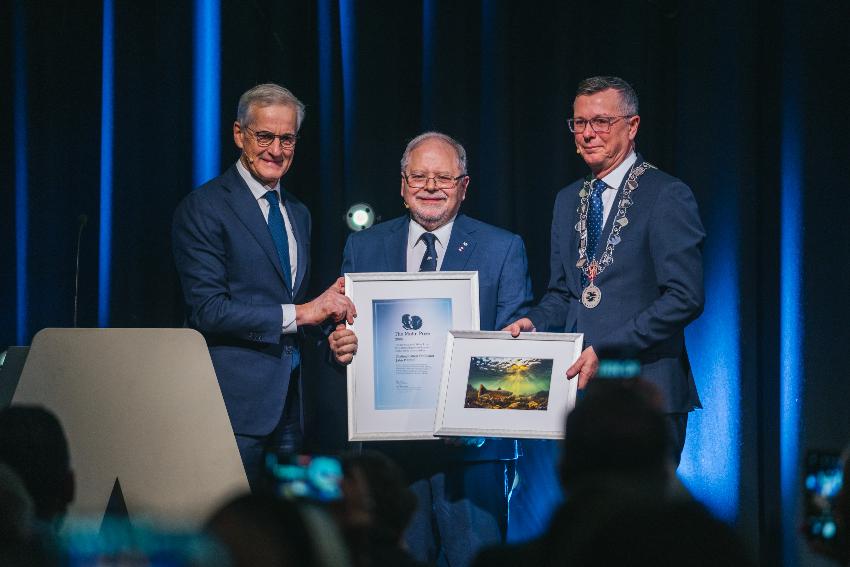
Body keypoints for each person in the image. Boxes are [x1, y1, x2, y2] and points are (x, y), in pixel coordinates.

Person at [328, 131, 533, 567]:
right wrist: (338, 344)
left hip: (474, 454)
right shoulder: (363, 247)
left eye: (444, 177)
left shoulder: (503, 248)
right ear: (403, 186)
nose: (431, 187)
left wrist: (474, 414)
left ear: (464, 186)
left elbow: (514, 343)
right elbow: (343, 332)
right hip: (391, 454)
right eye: (419, 176)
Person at [505, 76, 705, 464]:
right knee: (589, 503)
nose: (588, 133)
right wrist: (534, 322)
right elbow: (565, 294)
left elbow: (685, 297)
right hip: (583, 399)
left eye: (601, 121)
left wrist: (607, 348)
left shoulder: (666, 194)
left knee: (640, 505)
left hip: (647, 397)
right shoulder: (567, 200)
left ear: (632, 126)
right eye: (580, 123)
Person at [172, 83, 356, 488]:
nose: (276, 149)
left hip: (293, 405)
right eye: (265, 136)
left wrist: (331, 328)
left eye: (287, 139)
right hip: (230, 409)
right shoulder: (204, 208)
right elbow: (208, 311)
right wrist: (306, 312)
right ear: (239, 134)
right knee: (236, 523)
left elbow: (290, 305)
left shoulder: (299, 213)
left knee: (288, 521)